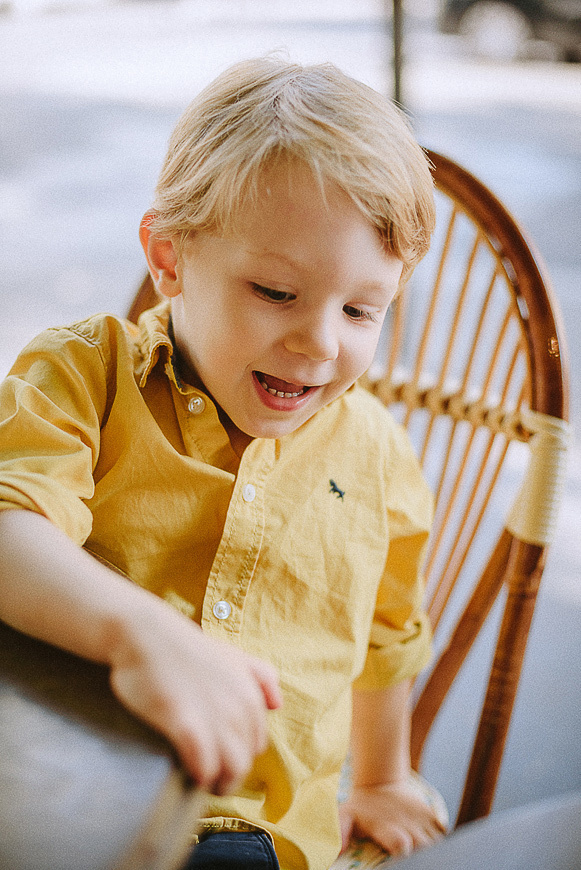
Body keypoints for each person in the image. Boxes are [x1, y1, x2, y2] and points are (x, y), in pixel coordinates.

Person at [0, 57, 447, 870]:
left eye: (360, 309)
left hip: (273, 845)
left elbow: (389, 638)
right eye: (275, 292)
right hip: (79, 808)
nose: (318, 341)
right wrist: (137, 634)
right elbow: (9, 525)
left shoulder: (376, 452)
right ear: (168, 259)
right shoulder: (86, 377)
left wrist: (382, 778)